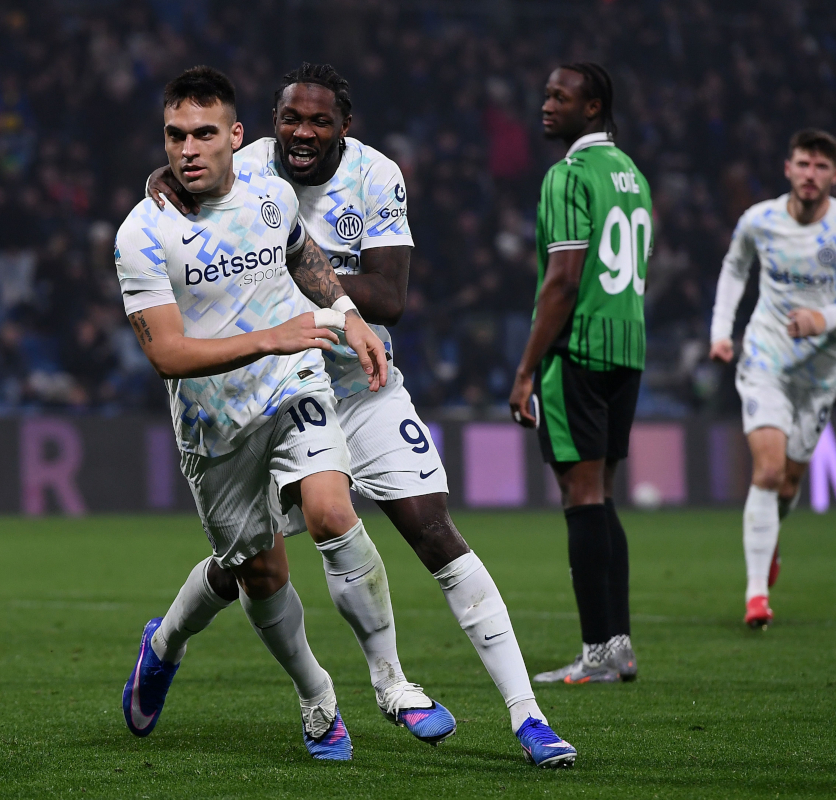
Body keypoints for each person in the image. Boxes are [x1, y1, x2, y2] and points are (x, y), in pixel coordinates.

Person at [148, 63, 577, 768]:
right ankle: (164, 644)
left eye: (319, 121)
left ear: (345, 126)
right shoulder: (246, 166)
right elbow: (173, 180)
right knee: (244, 570)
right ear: (270, 123)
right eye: (291, 118)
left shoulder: (377, 178)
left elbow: (390, 296)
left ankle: (527, 715)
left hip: (362, 386)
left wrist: (283, 263)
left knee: (433, 530)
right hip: (275, 391)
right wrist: (159, 185)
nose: (303, 133)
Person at [117, 65, 445, 761]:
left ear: (237, 138)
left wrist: (349, 317)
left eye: (205, 134)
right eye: (175, 136)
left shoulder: (271, 194)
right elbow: (169, 355)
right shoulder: (142, 235)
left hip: (292, 384)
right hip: (213, 424)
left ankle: (391, 682)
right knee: (257, 574)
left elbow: (305, 259)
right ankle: (306, 691)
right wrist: (273, 334)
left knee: (331, 509)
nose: (188, 150)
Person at [508, 63, 648, 685]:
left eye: (559, 97)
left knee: (581, 496)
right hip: (627, 344)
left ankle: (599, 653)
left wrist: (525, 369)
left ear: (592, 108)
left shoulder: (568, 176)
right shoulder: (632, 175)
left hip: (579, 349)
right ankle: (617, 647)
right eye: (545, 93)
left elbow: (563, 279)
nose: (546, 104)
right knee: (604, 493)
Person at [709, 129, 836, 628]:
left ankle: (771, 538)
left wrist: (823, 320)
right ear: (788, 168)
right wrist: (722, 332)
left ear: (835, 176)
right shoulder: (759, 220)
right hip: (765, 355)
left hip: (821, 370)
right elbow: (734, 270)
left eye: (821, 167)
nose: (811, 174)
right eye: (803, 164)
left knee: (788, 483)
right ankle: (756, 595)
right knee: (766, 470)